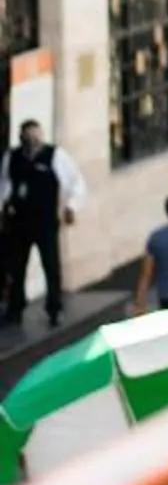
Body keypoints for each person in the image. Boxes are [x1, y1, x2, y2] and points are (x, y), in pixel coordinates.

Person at [3, 120, 86, 329]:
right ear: (21, 136)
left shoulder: (55, 155)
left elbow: (75, 181)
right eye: (28, 136)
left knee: (50, 265)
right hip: (19, 221)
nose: (32, 140)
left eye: (35, 135)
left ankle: (54, 308)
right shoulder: (11, 157)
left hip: (45, 221)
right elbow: (4, 184)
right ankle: (15, 306)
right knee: (17, 265)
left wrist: (71, 207)